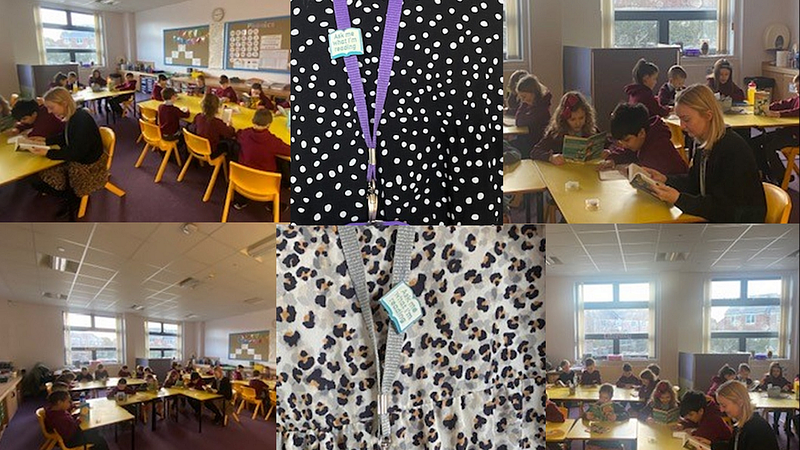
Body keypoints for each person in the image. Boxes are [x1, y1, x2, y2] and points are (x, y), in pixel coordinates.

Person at [641, 84, 766, 223]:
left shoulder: (733, 149)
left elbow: (726, 209)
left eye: (686, 119)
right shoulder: (702, 142)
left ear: (708, 116)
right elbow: (696, 183)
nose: (682, 126)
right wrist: (665, 179)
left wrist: (679, 199)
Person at [26, 88, 108, 222]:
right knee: (35, 176)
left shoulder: (81, 119)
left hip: (87, 162)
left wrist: (48, 152)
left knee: (36, 178)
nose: (49, 112)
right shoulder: (75, 116)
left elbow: (76, 153)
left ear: (64, 103)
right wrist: (45, 140)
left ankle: (73, 198)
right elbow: (66, 137)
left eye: (51, 107)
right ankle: (69, 195)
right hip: (81, 155)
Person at [602, 102, 688, 175]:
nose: (624, 145)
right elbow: (630, 153)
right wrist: (613, 159)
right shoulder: (644, 138)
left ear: (642, 133)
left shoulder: (658, 149)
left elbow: (651, 179)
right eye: (621, 141)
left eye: (627, 140)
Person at [530, 91, 598, 164]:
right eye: (572, 119)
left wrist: (608, 152)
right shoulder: (556, 133)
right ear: (564, 119)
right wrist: (551, 157)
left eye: (581, 118)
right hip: (563, 172)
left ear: (587, 116)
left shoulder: (591, 130)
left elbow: (609, 145)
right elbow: (535, 152)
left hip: (587, 172)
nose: (578, 123)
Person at [716, 379, 780, 450]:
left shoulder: (757, 429)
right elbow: (734, 446)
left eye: (724, 405)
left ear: (740, 402)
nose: (721, 410)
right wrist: (712, 445)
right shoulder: (742, 423)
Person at [45, 391, 109, 450]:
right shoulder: (58, 418)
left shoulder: (56, 411)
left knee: (94, 431)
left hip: (71, 433)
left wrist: (78, 415)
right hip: (70, 440)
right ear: (59, 402)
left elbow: (68, 419)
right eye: (68, 401)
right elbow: (68, 434)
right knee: (100, 440)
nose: (70, 403)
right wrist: (79, 420)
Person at [513, 74, 552, 153]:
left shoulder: (541, 108)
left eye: (524, 97)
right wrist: (524, 103)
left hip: (536, 143)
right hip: (529, 140)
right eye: (521, 98)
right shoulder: (532, 104)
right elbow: (518, 121)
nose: (523, 100)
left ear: (533, 93)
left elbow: (520, 122)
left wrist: (523, 105)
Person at [584, 384, 629, 449]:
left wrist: (616, 417)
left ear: (611, 398)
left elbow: (626, 414)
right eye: (601, 397)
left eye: (606, 398)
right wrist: (586, 416)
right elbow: (584, 416)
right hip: (596, 436)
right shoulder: (596, 405)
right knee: (590, 446)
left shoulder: (615, 406)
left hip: (611, 437)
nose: (602, 400)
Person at [195, 93, 236, 158]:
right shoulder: (217, 122)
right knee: (229, 144)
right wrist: (230, 126)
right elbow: (230, 134)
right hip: (211, 152)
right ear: (216, 107)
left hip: (196, 147)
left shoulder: (198, 116)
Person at [758, 362, 793, 434]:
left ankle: (787, 426)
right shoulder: (768, 379)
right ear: (771, 371)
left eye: (777, 371)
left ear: (780, 372)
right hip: (770, 400)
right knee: (778, 409)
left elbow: (790, 384)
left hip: (780, 400)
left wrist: (787, 387)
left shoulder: (782, 379)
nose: (776, 373)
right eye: (774, 371)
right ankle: (775, 425)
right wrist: (761, 385)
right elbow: (761, 387)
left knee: (790, 410)